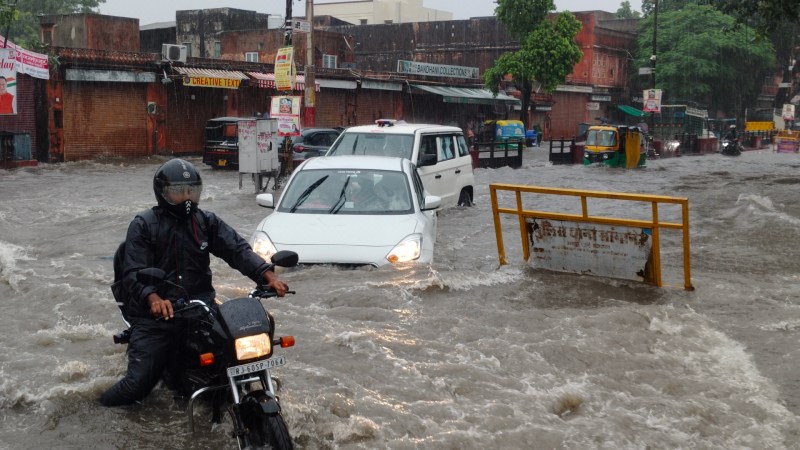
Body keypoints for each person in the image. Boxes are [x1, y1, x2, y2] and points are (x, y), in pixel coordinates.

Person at [100, 158, 289, 407]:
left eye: (192, 191)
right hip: (158, 317)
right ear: (163, 193)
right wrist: (153, 298)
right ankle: (96, 406)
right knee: (137, 385)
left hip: (201, 308)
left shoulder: (206, 221)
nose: (187, 198)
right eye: (179, 191)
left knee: (234, 352)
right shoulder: (144, 225)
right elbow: (133, 271)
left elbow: (237, 249)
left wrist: (267, 275)